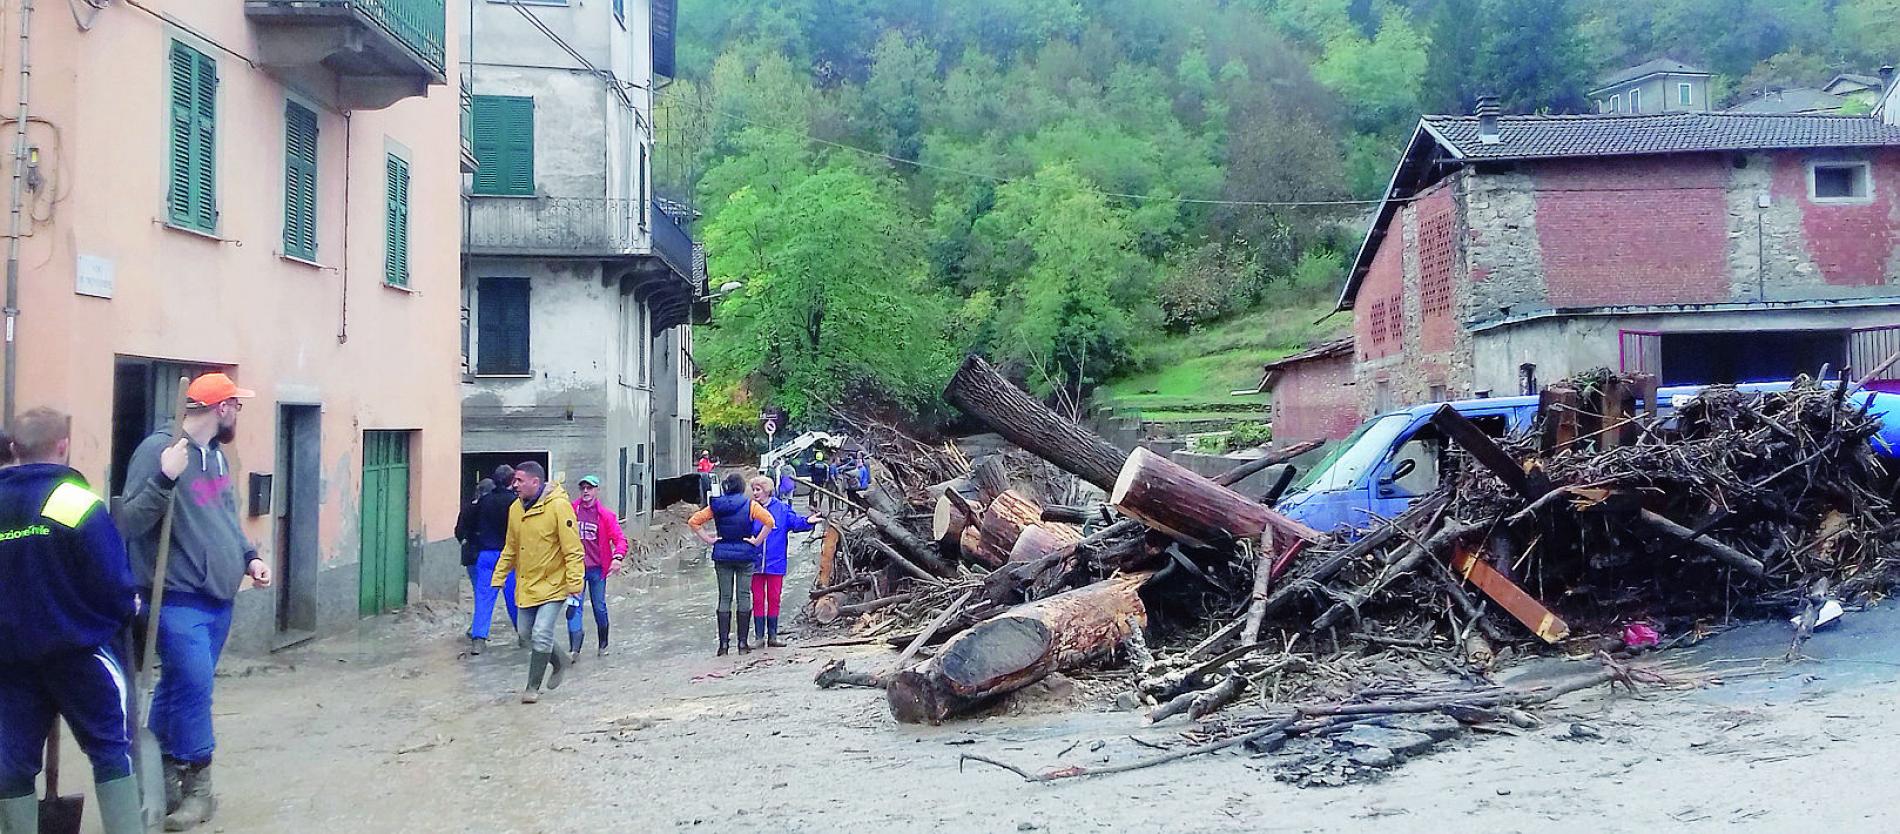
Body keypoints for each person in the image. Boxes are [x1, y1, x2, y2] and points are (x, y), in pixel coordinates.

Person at [117, 372, 270, 831]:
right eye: (236, 406)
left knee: (181, 689)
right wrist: (165, 478)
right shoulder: (159, 451)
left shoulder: (217, 457)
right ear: (220, 408)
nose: (238, 413)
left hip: (219, 596)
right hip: (176, 595)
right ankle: (199, 788)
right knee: (195, 684)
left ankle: (164, 781)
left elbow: (224, 516)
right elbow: (128, 521)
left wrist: (249, 556)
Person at [0, 409, 143, 834]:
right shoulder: (75, 501)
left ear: (14, 449)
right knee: (111, 750)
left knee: (11, 762)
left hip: (11, 661)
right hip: (81, 655)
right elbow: (113, 581)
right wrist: (126, 612)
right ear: (63, 445)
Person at [491, 462, 584, 704]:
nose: (515, 485)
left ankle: (532, 687)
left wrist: (575, 585)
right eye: (515, 481)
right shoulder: (515, 509)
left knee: (542, 632)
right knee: (525, 633)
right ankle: (560, 660)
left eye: (520, 481)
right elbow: (510, 547)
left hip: (554, 584)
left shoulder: (559, 507)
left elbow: (573, 549)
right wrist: (499, 576)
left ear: (535, 482)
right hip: (526, 584)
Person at [687, 473, 772, 656]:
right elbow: (770, 522)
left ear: (726, 487)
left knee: (724, 597)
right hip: (745, 555)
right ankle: (742, 644)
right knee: (744, 596)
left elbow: (694, 521)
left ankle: (723, 646)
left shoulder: (716, 505)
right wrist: (756, 541)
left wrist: (709, 539)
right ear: (742, 488)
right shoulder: (750, 505)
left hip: (722, 555)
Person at [747, 476, 820, 648]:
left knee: (774, 598)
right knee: (757, 599)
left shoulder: (781, 509)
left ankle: (772, 636)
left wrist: (808, 522)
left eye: (758, 489)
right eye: (754, 490)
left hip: (776, 562)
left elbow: (795, 522)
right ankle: (759, 638)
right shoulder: (749, 510)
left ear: (767, 490)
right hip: (754, 562)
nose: (755, 493)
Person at [566, 475, 627, 659]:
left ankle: (603, 644)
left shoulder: (606, 516)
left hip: (597, 570)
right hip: (575, 569)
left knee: (599, 606)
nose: (586, 491)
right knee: (574, 606)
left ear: (596, 490)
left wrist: (617, 557)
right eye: (583, 488)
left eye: (590, 488)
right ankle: (574, 649)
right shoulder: (570, 511)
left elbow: (620, 540)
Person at [466, 465, 519, 654]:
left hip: (485, 555)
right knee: (515, 598)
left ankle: (479, 639)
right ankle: (523, 635)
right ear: (512, 481)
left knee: (483, 599)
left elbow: (469, 526)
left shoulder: (484, 501)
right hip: (509, 556)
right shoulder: (515, 503)